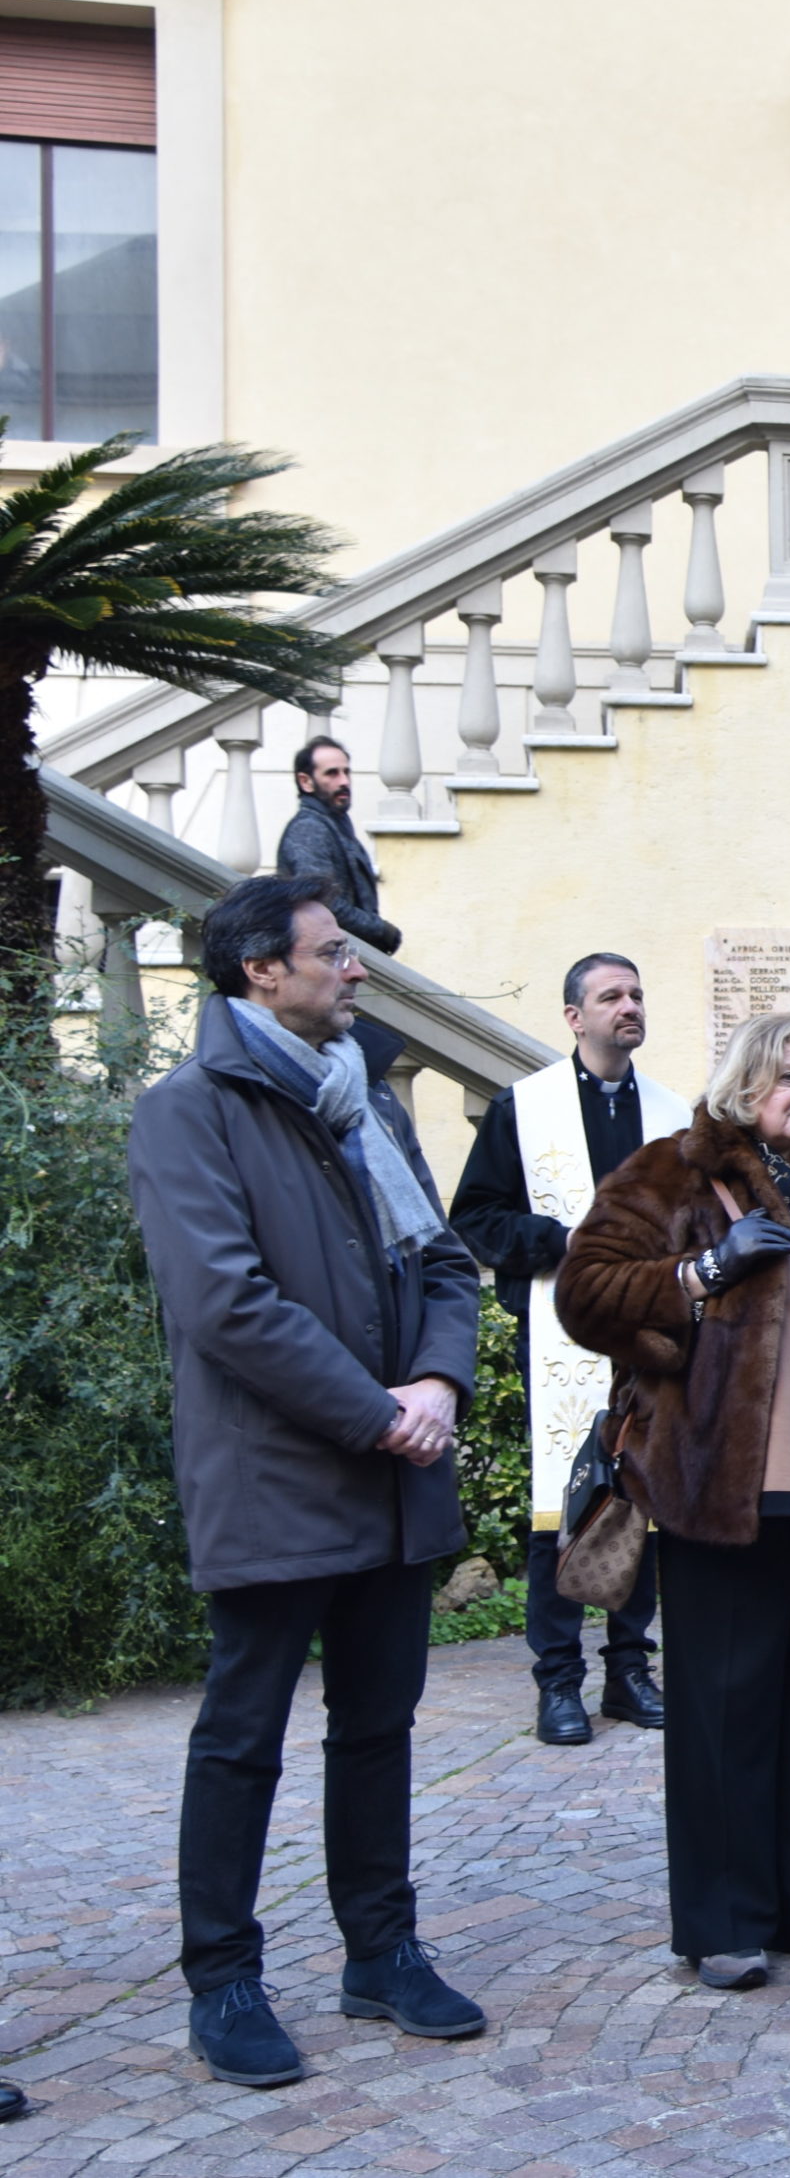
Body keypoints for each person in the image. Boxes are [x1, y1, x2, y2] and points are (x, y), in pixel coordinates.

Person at [127, 874, 485, 2089]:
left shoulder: (367, 1103)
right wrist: (377, 1413)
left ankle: (380, 1951)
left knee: (377, 1727)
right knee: (243, 1737)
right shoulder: (189, 1109)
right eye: (333, 952)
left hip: (395, 1472)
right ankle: (222, 1979)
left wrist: (436, 1382)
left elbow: (444, 1258)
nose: (357, 969)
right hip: (278, 1473)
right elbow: (225, 1300)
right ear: (257, 972)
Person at [556, 1013, 790, 1989]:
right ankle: (722, 1917)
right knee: (726, 1705)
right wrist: (700, 1272)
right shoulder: (679, 1171)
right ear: (744, 1082)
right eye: (788, 1074)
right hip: (732, 1483)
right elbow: (586, 1291)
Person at [448, 952, 687, 1744]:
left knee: (644, 1498)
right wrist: (564, 1241)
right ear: (574, 1017)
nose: (629, 1006)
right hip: (561, 1329)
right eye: (610, 996)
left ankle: (629, 1670)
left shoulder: (673, 1115)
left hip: (650, 1329)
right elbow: (476, 1217)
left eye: (636, 994)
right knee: (565, 1501)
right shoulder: (523, 1107)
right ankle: (558, 1680)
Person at [275, 734, 401, 954]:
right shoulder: (308, 829)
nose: (344, 781)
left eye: (346, 772)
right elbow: (322, 902)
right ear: (306, 781)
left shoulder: (333, 824)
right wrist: (381, 931)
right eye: (332, 773)